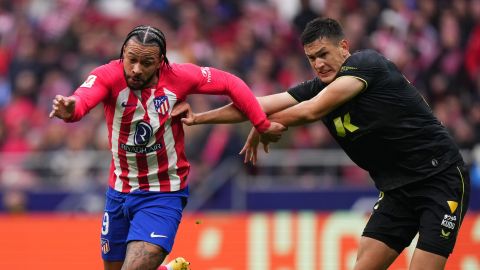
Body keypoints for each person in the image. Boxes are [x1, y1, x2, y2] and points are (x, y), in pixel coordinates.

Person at [171, 18, 471, 270]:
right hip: (397, 189)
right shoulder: (317, 86)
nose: (318, 63)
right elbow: (256, 103)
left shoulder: (368, 65)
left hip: (440, 178)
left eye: (324, 54)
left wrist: (262, 124)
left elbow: (311, 110)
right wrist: (199, 118)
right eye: (311, 58)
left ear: (344, 47)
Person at [49, 25, 285, 270]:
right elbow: (83, 99)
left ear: (161, 61)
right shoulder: (108, 75)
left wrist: (261, 123)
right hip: (119, 190)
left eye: (147, 62)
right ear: (123, 55)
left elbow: (230, 83)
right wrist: (71, 109)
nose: (137, 69)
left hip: (163, 192)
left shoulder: (179, 77)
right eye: (131, 60)